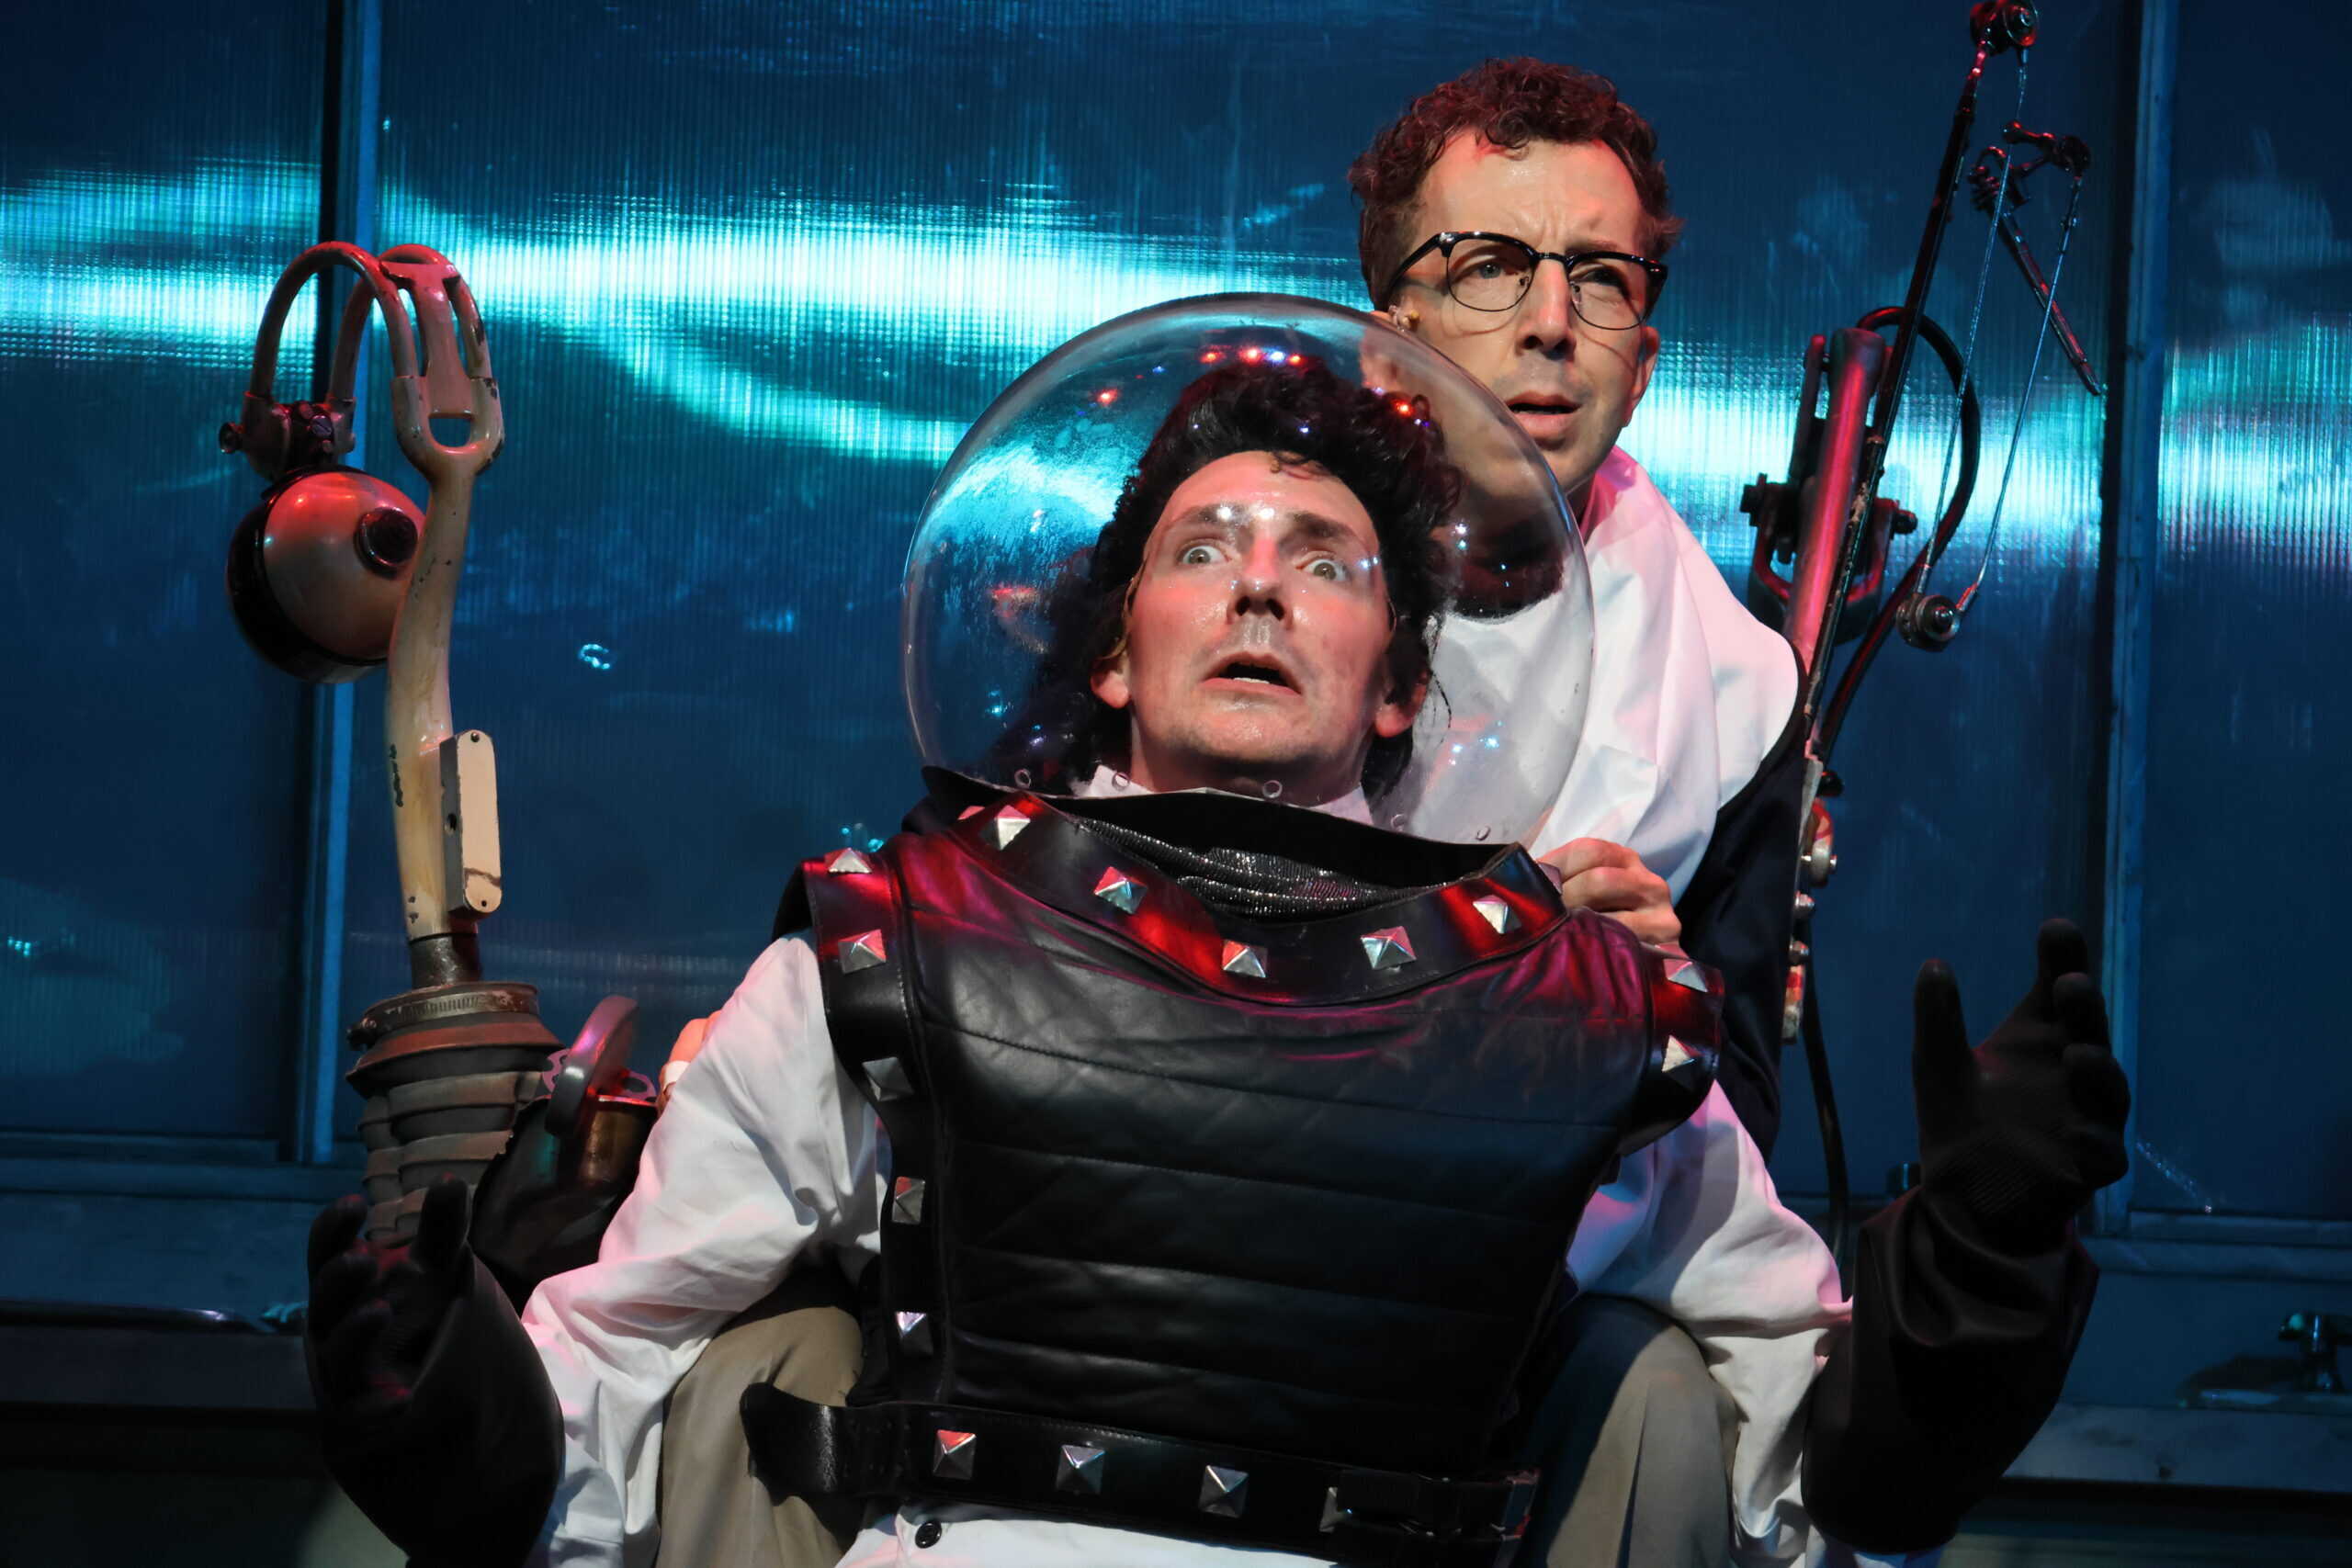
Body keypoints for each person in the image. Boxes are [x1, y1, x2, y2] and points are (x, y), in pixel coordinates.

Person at [305, 353, 2126, 1568]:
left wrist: (1982, 1259)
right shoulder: (893, 945)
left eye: (1325, 561)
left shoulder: (1568, 1018)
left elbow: (1822, 1475)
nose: (1260, 583)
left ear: (1399, 685)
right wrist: (429, 1381)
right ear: (1114, 652)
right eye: (1205, 548)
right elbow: (601, 1393)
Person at [1350, 57, 1804, 1162]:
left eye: (1600, 278)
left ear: (1640, 365)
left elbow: (1740, 1111)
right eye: (1489, 266)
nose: (1551, 322)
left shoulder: (1735, 692)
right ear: (1388, 351)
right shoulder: (1236, 589)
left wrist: (1652, 1006)